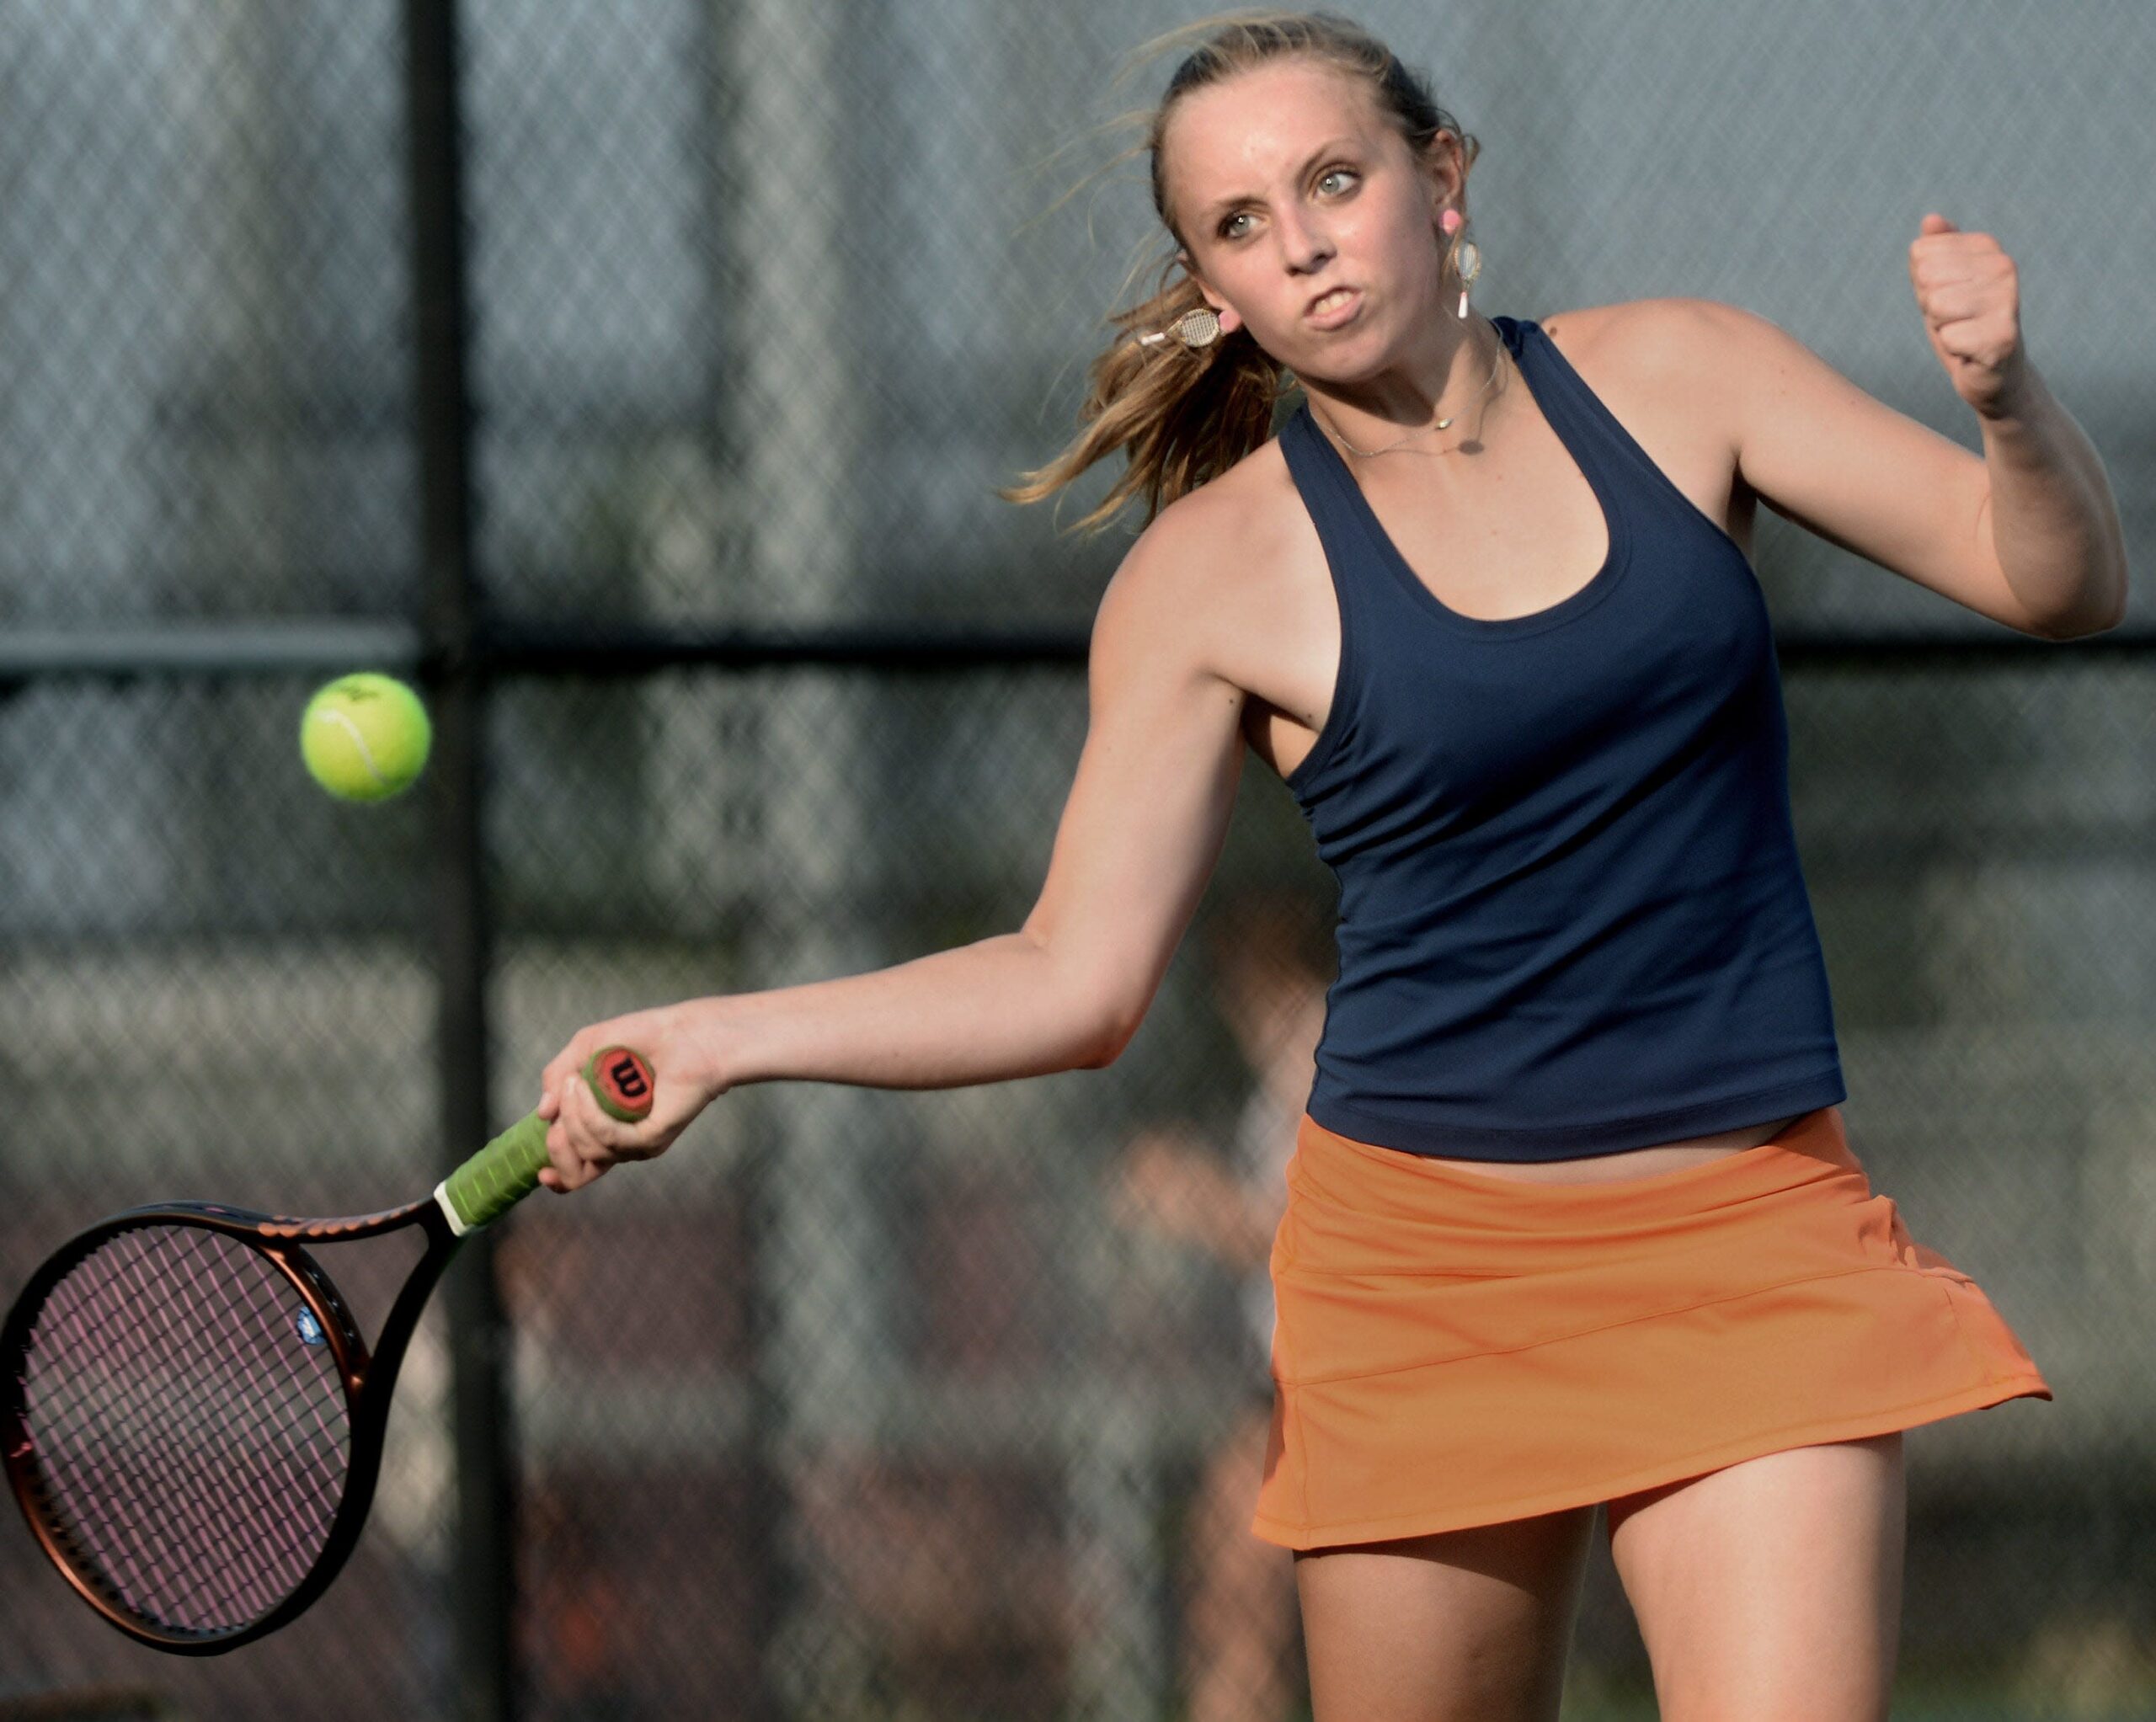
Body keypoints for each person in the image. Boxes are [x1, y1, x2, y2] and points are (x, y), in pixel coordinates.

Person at [530, 12, 2129, 1719]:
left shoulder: (1684, 375)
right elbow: (1070, 977)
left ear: (1439, 181)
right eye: (1236, 222)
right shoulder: (1206, 579)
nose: (1295, 236)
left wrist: (2005, 403)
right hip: (1417, 1276)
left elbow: (2048, 581)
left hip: (1747, 1231)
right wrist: (720, 1035)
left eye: (1331, 178)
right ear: (1214, 287)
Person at [1105, 888, 1327, 1721]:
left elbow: (1316, 1240)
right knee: (1231, 1606)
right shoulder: (1281, 1067)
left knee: (1239, 1610)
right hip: (1269, 1379)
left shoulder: (1317, 1046)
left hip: (1314, 1382)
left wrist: (1197, 1200)